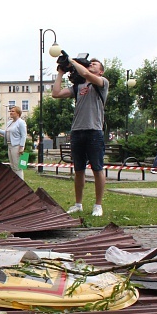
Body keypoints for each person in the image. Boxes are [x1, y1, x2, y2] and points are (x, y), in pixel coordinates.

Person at [52, 57, 109, 217]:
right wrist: (60, 73)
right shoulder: (78, 87)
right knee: (79, 170)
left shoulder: (102, 82)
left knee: (97, 169)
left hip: (94, 131)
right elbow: (56, 93)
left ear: (101, 71)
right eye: (90, 63)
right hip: (77, 131)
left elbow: (84, 72)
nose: (91, 65)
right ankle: (78, 204)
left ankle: (98, 205)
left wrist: (71, 60)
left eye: (95, 64)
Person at [0, 106, 27, 180]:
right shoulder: (10, 122)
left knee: (18, 167)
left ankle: (21, 183)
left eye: (13, 111)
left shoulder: (21, 122)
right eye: (10, 111)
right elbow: (6, 132)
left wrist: (22, 147)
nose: (10, 112)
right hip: (10, 145)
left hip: (16, 146)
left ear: (18, 113)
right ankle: (15, 182)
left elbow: (24, 135)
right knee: (13, 166)